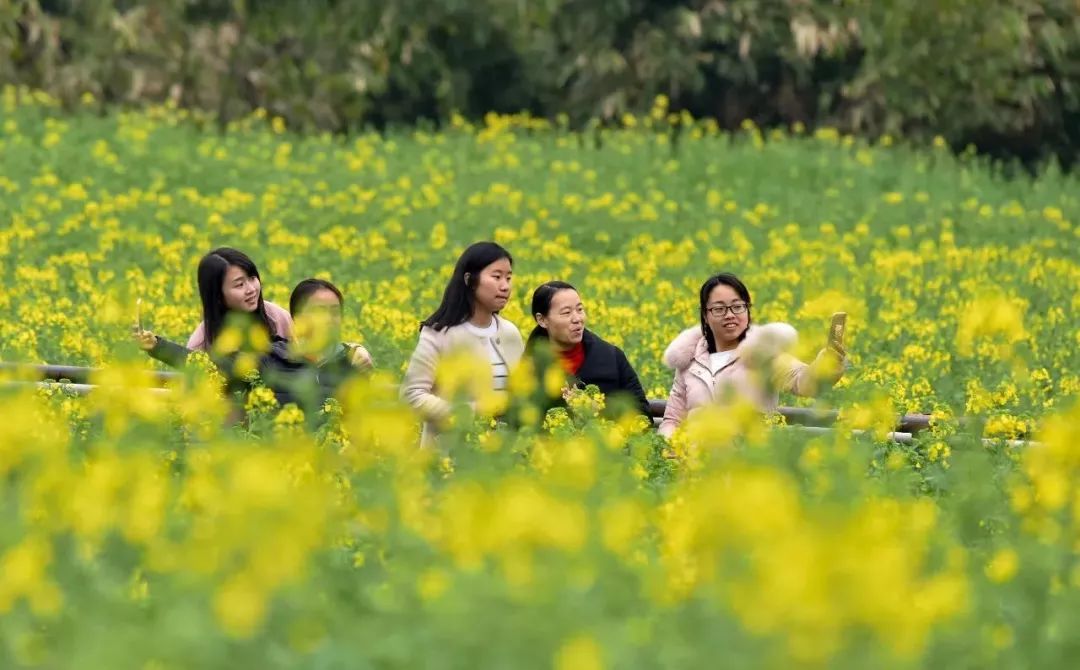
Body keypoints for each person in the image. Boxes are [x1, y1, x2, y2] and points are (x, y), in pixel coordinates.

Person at [134, 278, 371, 414]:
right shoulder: (271, 358)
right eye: (319, 312)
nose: (328, 320)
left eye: (335, 312)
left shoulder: (353, 361)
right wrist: (158, 346)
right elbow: (213, 368)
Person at [658, 272, 844, 438]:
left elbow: (802, 381)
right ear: (705, 316)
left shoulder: (763, 354)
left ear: (748, 310)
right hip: (694, 465)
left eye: (737, 307)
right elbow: (672, 420)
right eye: (719, 309)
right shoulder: (690, 361)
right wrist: (670, 447)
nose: (729, 315)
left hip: (746, 467)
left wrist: (826, 366)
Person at [401, 241, 523, 444]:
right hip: (450, 456)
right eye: (496, 277)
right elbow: (411, 395)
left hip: (503, 455)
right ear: (469, 280)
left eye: (508, 278)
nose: (505, 286)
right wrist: (470, 413)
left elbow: (521, 391)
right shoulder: (439, 333)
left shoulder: (510, 333)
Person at [525, 280, 649, 418]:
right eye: (566, 313)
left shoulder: (612, 357)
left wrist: (597, 408)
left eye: (580, 309)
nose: (577, 319)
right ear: (542, 320)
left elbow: (643, 415)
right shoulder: (529, 366)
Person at [185, 247, 292, 351]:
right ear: (217, 294)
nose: (251, 289)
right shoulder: (199, 346)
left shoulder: (279, 318)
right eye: (240, 284)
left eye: (252, 278)